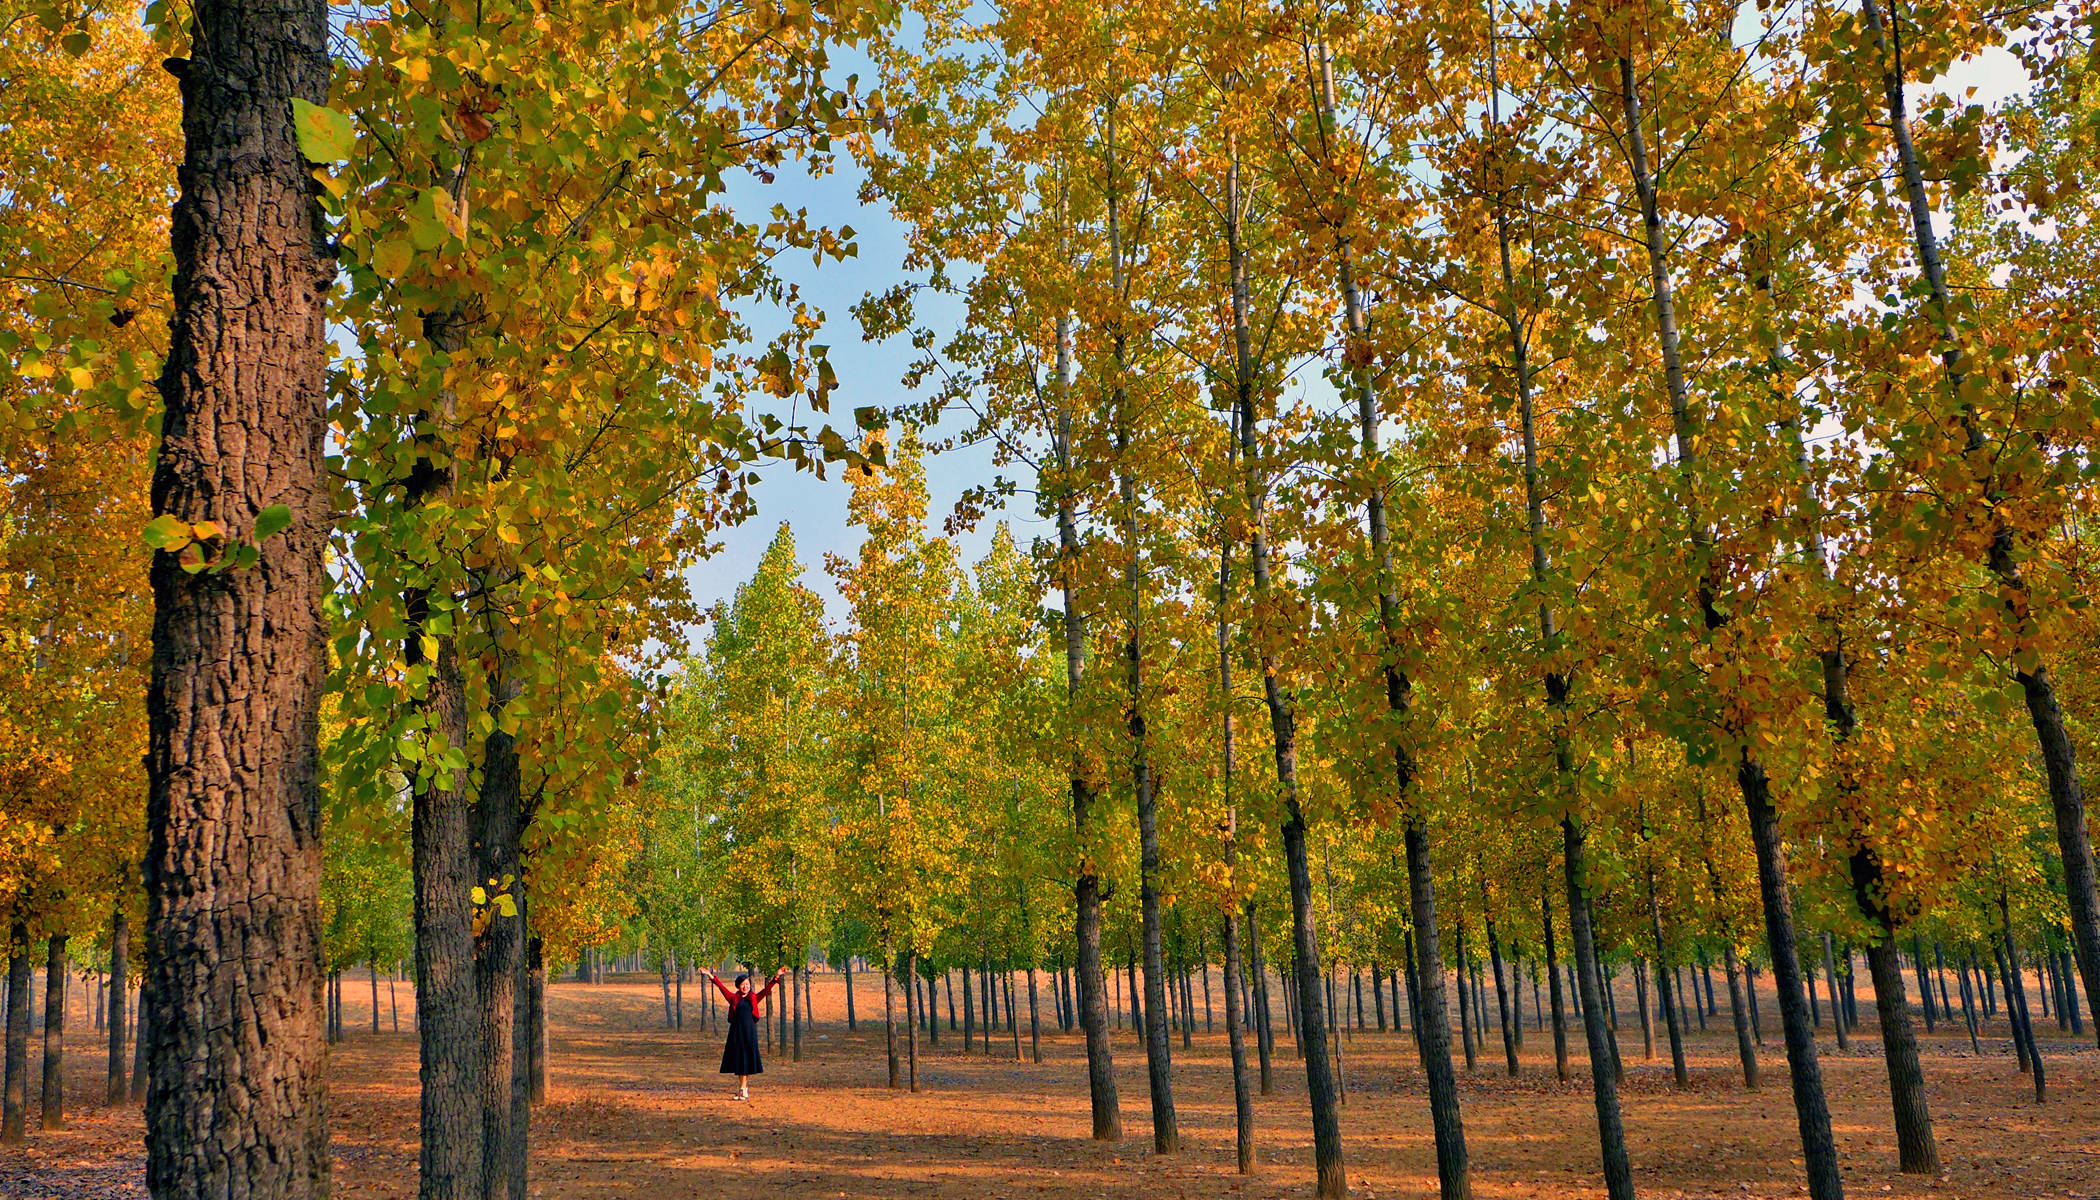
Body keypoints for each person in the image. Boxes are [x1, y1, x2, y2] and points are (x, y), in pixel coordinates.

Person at [702, 964, 787, 1101]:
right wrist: (710, 976)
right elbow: (721, 987)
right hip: (736, 1033)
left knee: (746, 1061)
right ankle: (743, 1089)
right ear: (738, 986)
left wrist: (776, 977)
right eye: (743, 984)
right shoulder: (733, 998)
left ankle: (743, 1089)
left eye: (747, 984)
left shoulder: (753, 998)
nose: (745, 986)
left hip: (749, 1033)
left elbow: (766, 990)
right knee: (739, 1061)